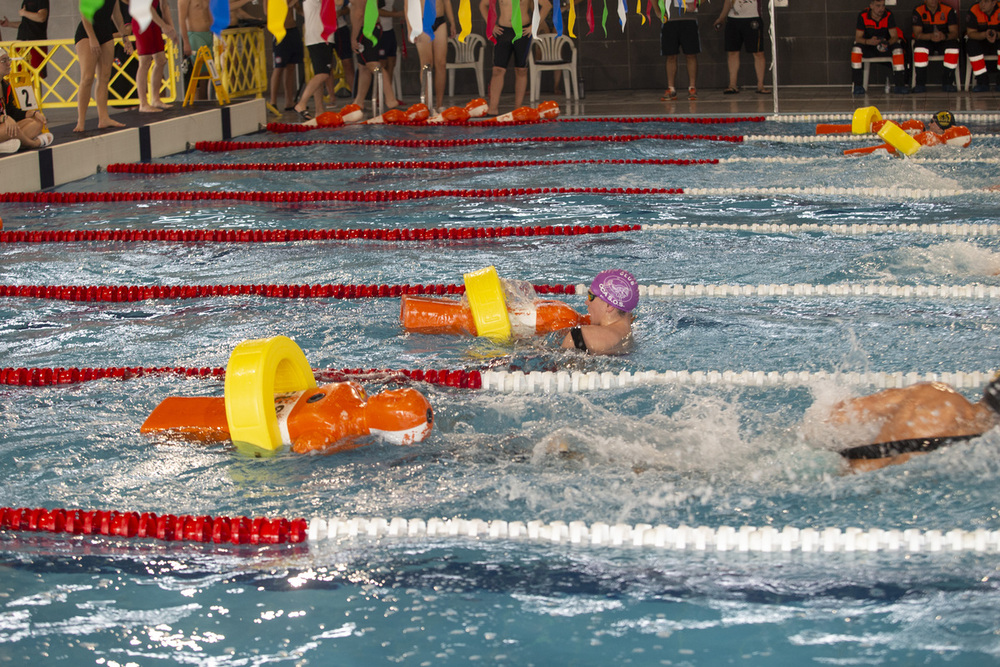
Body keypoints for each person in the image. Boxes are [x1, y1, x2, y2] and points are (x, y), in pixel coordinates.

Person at [825, 376, 1000, 473]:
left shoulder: (933, 394)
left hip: (841, 475)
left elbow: (838, 415)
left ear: (988, 389)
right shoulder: (983, 454)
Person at [479, 0, 551, 116]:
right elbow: (483, 5)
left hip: (523, 32)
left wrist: (533, 26)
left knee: (521, 70)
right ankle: (493, 108)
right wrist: (490, 24)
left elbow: (546, 5)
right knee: (497, 70)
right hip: (503, 31)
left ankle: (518, 109)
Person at [73, 0, 134, 132]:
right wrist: (93, 38)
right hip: (86, 33)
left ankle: (104, 118)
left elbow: (116, 15)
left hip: (106, 33)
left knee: (104, 77)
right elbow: (85, 14)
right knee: (87, 78)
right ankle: (81, 122)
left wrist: (125, 36)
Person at [560, 269, 638, 355]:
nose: (586, 302)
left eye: (590, 296)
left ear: (609, 305)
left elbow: (555, 367)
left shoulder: (580, 335)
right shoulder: (630, 338)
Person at [351, 0, 401, 113]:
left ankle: (391, 100)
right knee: (363, 67)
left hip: (367, 30)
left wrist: (353, 36)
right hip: (370, 28)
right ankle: (359, 101)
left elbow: (359, 12)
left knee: (373, 65)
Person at [851, 0, 909, 95]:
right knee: (856, 49)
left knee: (898, 49)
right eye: (878, 6)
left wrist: (887, 42)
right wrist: (868, 41)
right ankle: (857, 86)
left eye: (883, 6)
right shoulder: (863, 15)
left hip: (885, 45)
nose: (881, 9)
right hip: (869, 46)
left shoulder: (889, 14)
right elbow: (858, 38)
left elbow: (894, 36)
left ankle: (900, 86)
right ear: (871, 6)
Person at [0, 47, 52, 152]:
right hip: (4, 127)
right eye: (3, 60)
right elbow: (8, 118)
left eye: (8, 59)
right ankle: (33, 144)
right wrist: (4, 118)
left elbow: (13, 112)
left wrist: (33, 113)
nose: (8, 63)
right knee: (10, 128)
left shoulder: (5, 85)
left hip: (6, 126)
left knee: (36, 123)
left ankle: (7, 143)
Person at [713, 0, 770, 95]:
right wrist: (722, 17)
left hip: (753, 17)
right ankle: (732, 85)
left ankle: (760, 85)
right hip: (733, 19)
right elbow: (728, 1)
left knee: (758, 52)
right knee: (732, 52)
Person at [409, 0, 456, 112]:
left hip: (440, 21)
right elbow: (408, 6)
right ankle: (427, 104)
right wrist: (410, 28)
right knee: (426, 64)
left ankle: (439, 104)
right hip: (421, 22)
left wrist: (452, 22)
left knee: (441, 64)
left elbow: (447, 2)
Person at [132, 0, 178, 112]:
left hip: (154, 21)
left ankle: (155, 99)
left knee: (161, 60)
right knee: (145, 61)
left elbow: (164, 5)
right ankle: (143, 103)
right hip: (141, 20)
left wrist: (171, 28)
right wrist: (163, 25)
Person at [292, 0, 333, 119]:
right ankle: (301, 103)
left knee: (319, 74)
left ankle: (319, 111)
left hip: (316, 37)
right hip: (320, 37)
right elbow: (339, 2)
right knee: (323, 74)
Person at [655, 0, 700, 101]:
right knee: (670, 55)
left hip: (689, 19)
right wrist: (658, 12)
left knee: (691, 54)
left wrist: (696, 4)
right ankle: (671, 89)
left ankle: (692, 88)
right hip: (670, 20)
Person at [910, 0, 959, 93]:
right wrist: (930, 36)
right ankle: (920, 84)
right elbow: (917, 34)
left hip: (943, 40)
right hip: (926, 40)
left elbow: (954, 33)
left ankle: (948, 83)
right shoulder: (918, 10)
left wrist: (944, 36)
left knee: (953, 47)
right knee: (920, 48)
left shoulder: (948, 10)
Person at [267, 0, 303, 115]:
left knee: (291, 66)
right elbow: (267, 12)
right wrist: (290, 4)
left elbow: (298, 10)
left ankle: (289, 101)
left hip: (292, 30)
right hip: (280, 31)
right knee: (279, 67)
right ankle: (273, 101)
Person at [0, 0, 49, 79]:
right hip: (21, 43)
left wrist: (24, 13)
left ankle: (35, 91)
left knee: (35, 75)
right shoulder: (25, 1)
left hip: (35, 42)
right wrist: (9, 24)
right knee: (19, 74)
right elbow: (26, 24)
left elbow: (41, 17)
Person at [178, 0, 214, 100]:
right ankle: (199, 101)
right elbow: (181, 20)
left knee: (208, 71)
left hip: (208, 34)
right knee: (200, 71)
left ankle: (205, 100)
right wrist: (186, 42)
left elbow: (209, 14)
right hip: (195, 35)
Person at [965, 0, 1000, 92]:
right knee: (971, 44)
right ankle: (982, 82)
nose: (982, 4)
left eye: (986, 1)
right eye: (980, 1)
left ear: (994, 3)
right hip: (981, 41)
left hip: (997, 41)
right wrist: (985, 35)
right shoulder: (974, 9)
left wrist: (997, 35)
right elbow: (970, 33)